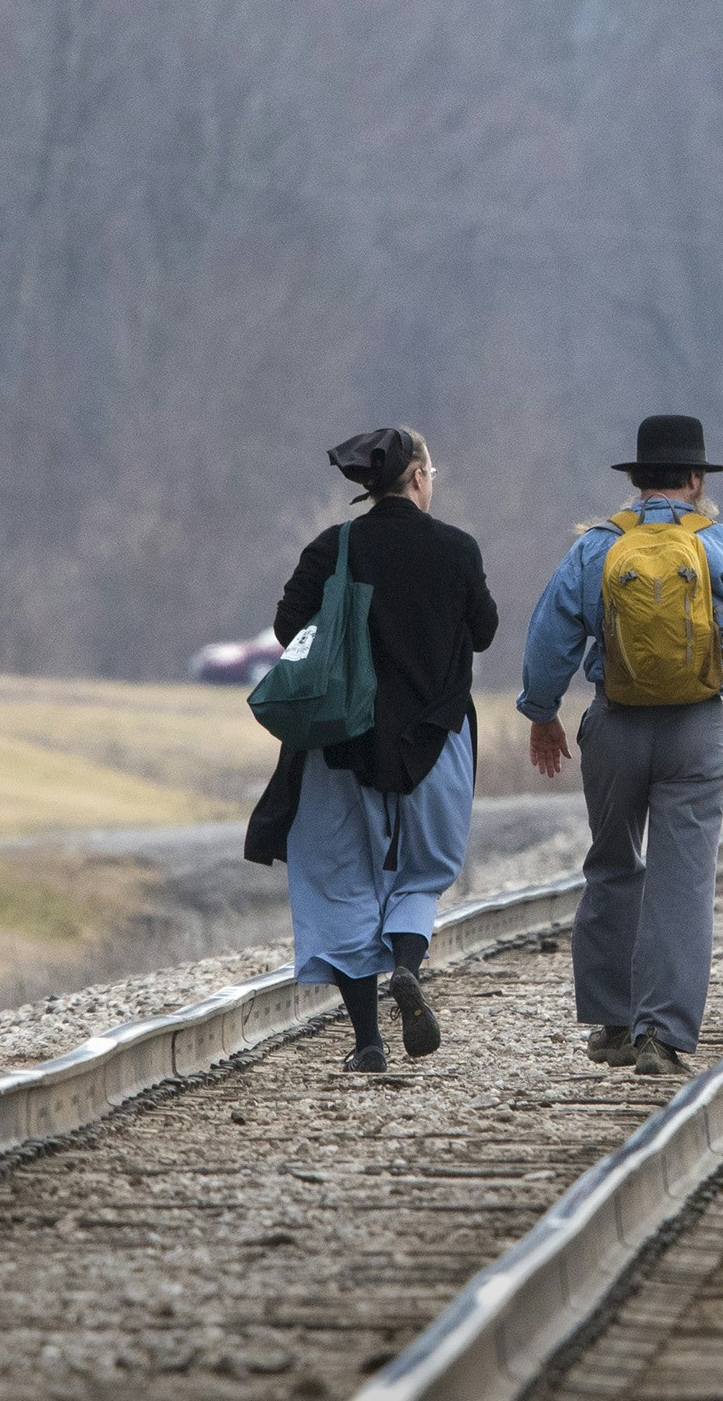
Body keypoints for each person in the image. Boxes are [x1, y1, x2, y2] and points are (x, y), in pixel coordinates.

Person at [519, 414, 723, 1078]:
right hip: (695, 729)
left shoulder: (596, 547)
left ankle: (614, 1024)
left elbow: (548, 639)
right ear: (697, 480)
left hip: (615, 722)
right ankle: (662, 1035)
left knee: (613, 862)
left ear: (637, 479)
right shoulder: (720, 544)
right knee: (682, 880)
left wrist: (541, 713)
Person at [254, 427, 499, 1073]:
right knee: (421, 874)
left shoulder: (333, 546)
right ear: (417, 476)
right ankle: (408, 970)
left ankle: (368, 1040)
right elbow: (486, 632)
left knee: (342, 885)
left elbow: (287, 627)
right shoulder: (456, 548)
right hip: (435, 741)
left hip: (341, 743)